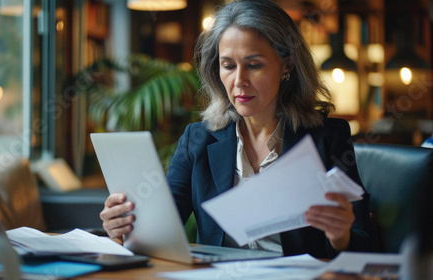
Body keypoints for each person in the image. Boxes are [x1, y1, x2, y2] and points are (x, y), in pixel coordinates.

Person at [100, 0, 373, 259]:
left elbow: (364, 245)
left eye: (254, 65)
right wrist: (124, 227)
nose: (239, 81)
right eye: (228, 65)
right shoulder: (198, 139)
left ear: (287, 64)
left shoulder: (327, 138)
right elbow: (160, 230)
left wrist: (340, 235)